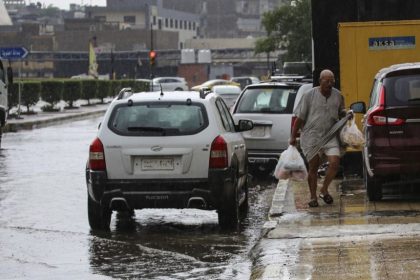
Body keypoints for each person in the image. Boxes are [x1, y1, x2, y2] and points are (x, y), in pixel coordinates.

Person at [289, 69, 349, 207]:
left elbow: (341, 111)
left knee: (334, 163)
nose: (330, 83)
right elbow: (300, 118)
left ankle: (324, 189)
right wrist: (293, 136)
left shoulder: (338, 96)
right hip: (312, 136)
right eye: (327, 81)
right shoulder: (309, 95)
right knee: (313, 167)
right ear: (320, 81)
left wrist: (347, 113)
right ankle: (313, 197)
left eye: (332, 81)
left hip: (330, 135)